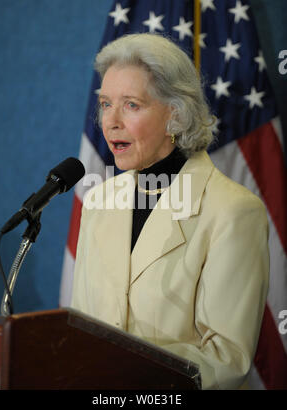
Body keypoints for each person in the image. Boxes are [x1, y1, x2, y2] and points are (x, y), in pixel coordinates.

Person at [71, 33, 269, 390]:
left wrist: (122, 377)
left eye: (131, 104)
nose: (111, 121)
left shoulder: (233, 211)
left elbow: (227, 359)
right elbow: (82, 330)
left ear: (175, 115)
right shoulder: (99, 203)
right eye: (105, 104)